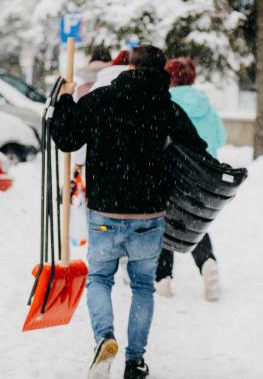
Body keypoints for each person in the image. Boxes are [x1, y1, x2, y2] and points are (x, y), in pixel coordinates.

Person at [51, 45, 208, 379]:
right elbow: (198, 150)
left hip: (105, 211)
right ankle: (135, 361)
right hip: (149, 215)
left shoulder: (102, 98)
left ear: (129, 68)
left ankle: (104, 337)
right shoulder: (167, 107)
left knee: (99, 279)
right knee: (142, 287)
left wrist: (65, 100)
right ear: (161, 69)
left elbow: (65, 138)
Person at [155, 58, 226, 302]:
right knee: (193, 222)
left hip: (174, 173)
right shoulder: (206, 104)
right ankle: (207, 262)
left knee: (165, 222)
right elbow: (220, 138)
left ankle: (163, 277)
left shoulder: (166, 102)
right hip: (204, 177)